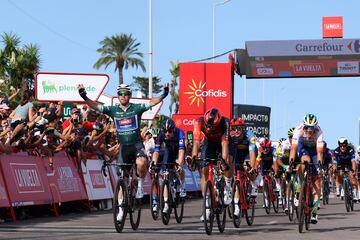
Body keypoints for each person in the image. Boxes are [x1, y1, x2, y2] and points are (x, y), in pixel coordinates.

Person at [77, 82, 168, 222]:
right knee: (122, 180)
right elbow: (95, 106)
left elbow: (152, 102)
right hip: (124, 148)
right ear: (118, 96)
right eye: (120, 94)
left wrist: (164, 94)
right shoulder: (113, 110)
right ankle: (120, 209)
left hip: (136, 145)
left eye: (126, 93)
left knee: (142, 162)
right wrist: (83, 95)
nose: (123, 96)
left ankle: (139, 185)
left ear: (130, 95)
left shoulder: (136, 108)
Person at [188, 108, 230, 221]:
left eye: (212, 126)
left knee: (227, 161)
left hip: (221, 142)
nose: (208, 128)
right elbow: (196, 142)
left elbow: (224, 144)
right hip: (209, 143)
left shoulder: (225, 123)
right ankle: (207, 208)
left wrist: (224, 161)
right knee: (204, 170)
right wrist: (194, 157)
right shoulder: (198, 122)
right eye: (207, 125)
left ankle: (227, 187)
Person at [289, 114, 324, 224]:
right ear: (303, 126)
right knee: (304, 162)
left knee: (317, 179)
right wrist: (291, 162)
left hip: (314, 149)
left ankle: (314, 211)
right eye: (307, 128)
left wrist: (319, 167)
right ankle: (300, 186)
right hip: (303, 147)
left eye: (312, 128)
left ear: (315, 127)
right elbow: (293, 149)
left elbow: (319, 153)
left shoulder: (319, 132)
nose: (309, 130)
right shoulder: (298, 130)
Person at [151, 118, 186, 213]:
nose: (167, 133)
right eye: (165, 131)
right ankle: (166, 202)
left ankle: (182, 185)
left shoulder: (180, 133)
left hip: (179, 150)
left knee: (179, 167)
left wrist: (179, 163)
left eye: (169, 131)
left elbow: (182, 150)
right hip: (169, 150)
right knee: (165, 175)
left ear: (174, 129)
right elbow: (156, 151)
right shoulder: (161, 135)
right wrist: (153, 162)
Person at [229, 117, 257, 217]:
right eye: (234, 128)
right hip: (237, 154)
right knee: (237, 180)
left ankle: (254, 184)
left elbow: (252, 153)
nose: (236, 130)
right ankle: (236, 207)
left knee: (247, 167)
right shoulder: (231, 136)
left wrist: (252, 167)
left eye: (239, 128)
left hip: (248, 153)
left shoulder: (250, 135)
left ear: (243, 128)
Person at [333, 138, 358, 202]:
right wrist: (335, 170)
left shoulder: (350, 150)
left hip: (349, 163)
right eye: (340, 146)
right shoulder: (336, 151)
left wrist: (354, 170)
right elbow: (334, 163)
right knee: (340, 174)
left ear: (346, 145)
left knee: (352, 176)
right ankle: (343, 187)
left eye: (344, 146)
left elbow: (353, 162)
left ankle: (354, 194)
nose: (342, 147)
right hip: (341, 163)